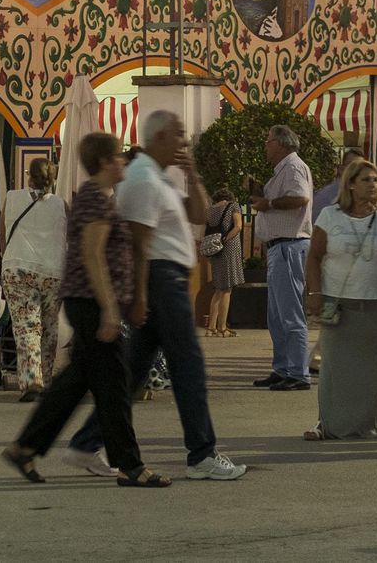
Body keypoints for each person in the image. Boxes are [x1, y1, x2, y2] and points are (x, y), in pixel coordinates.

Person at [65, 111, 247, 482]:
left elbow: (199, 212)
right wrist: (141, 295)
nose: (183, 142)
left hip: (168, 277)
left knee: (134, 371)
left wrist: (192, 172)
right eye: (178, 135)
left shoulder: (159, 177)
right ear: (160, 136)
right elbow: (139, 242)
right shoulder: (144, 178)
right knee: (188, 366)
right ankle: (202, 452)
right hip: (162, 278)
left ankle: (88, 441)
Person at [0, 132, 169, 488]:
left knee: (74, 384)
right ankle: (130, 464)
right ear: (106, 162)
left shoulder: (100, 197)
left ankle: (25, 446)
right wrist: (109, 309)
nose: (124, 161)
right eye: (119, 157)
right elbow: (93, 256)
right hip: (91, 303)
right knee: (114, 386)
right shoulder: (94, 198)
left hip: (89, 301)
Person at [303, 158, 377, 440]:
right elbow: (314, 256)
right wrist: (314, 292)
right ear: (350, 184)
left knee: (373, 366)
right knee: (335, 367)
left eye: (375, 180)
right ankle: (328, 423)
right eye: (366, 180)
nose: (373, 186)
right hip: (338, 301)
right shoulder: (329, 216)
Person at [252, 124, 314, 391]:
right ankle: (283, 367)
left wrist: (270, 204)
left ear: (281, 143)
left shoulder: (292, 167)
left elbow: (300, 197)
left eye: (268, 141)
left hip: (290, 245)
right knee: (277, 315)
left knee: (290, 313)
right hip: (280, 247)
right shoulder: (283, 170)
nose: (266, 146)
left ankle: (298, 372)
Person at [1, 159, 66, 401]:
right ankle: (46, 381)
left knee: (26, 327)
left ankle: (32, 381)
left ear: (29, 176)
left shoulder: (12, 197)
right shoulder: (62, 205)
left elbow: (2, 238)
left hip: (18, 267)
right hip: (53, 271)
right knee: (49, 328)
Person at [201, 187, 243, 338]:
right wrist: (225, 239)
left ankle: (211, 328)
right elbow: (238, 226)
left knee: (218, 288)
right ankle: (222, 328)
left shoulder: (210, 210)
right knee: (227, 289)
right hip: (228, 248)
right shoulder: (233, 206)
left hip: (214, 250)